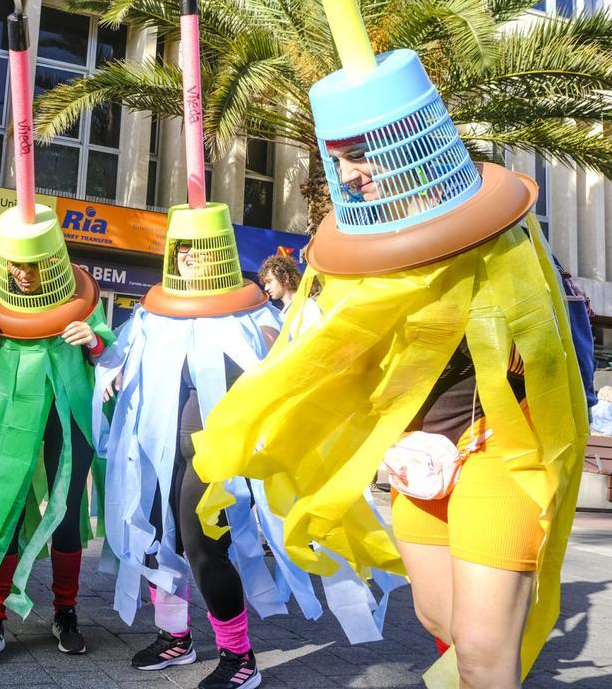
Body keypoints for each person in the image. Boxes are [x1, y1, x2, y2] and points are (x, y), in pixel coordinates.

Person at [195, 128, 586, 689]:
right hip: (417, 468)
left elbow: (540, 353)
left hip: (500, 453)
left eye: (359, 156)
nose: (349, 174)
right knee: (439, 619)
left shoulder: (497, 237)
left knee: (480, 651)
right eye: (340, 162)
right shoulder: (352, 264)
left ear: (414, 149)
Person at [96, 230, 300, 689]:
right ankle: (176, 638)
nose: (187, 255)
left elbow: (286, 362)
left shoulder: (251, 313)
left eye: (198, 246)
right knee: (153, 534)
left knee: (202, 545)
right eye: (181, 247)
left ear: (221, 253)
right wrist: (109, 366)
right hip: (157, 450)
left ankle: (239, 657)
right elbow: (117, 357)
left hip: (213, 457)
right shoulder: (154, 314)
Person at [0, 248, 113, 666]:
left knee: (66, 513)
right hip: (12, 421)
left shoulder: (83, 302)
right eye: (16, 263)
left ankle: (66, 612)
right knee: (3, 509)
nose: (24, 273)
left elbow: (109, 353)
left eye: (33, 263)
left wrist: (94, 341)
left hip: (69, 419)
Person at [259, 254, 319, 339]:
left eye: (269, 281)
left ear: (285, 277)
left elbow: (316, 341)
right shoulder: (283, 313)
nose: (266, 288)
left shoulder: (307, 306)